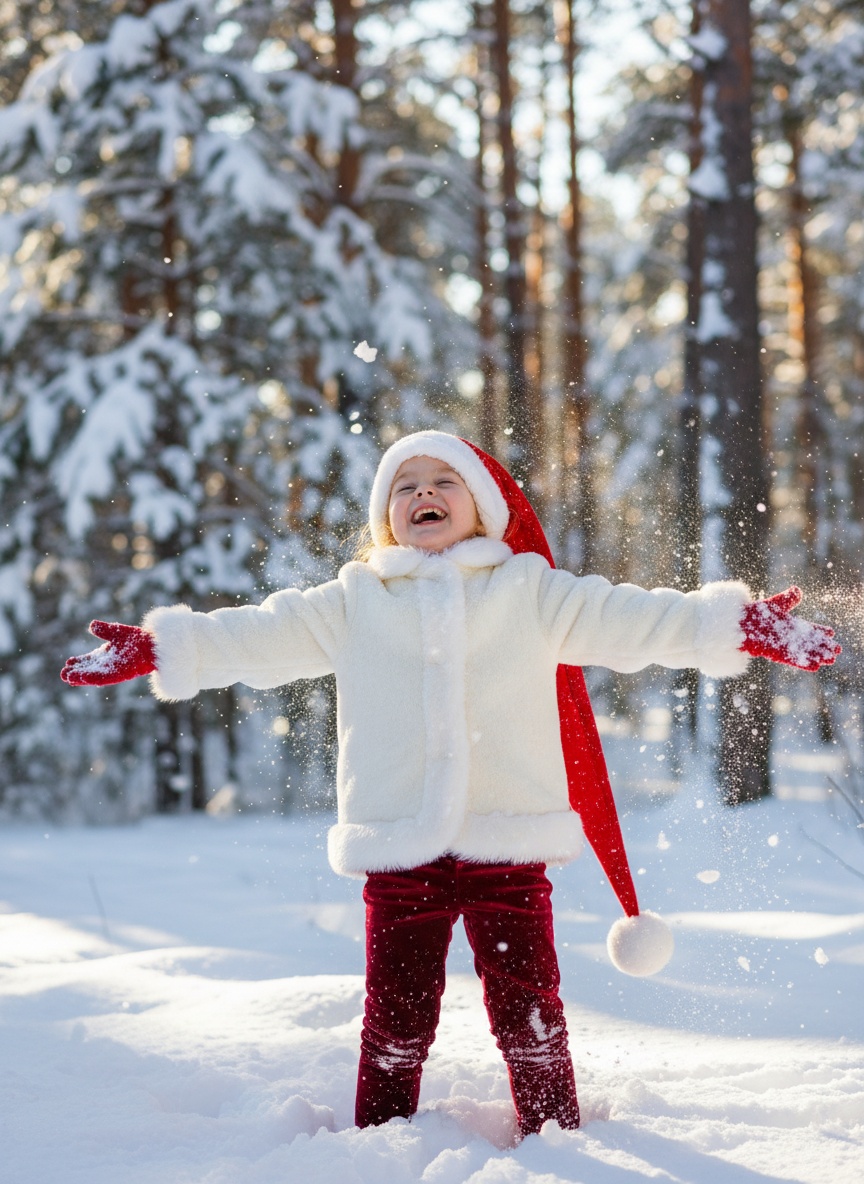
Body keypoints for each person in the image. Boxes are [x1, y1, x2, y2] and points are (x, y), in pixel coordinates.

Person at [61, 430, 840, 1137]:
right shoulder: (354, 601)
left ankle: (555, 1137)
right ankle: (379, 1140)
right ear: (386, 517)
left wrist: (731, 625)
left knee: (530, 1011)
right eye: (404, 486)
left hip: (509, 842)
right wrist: (167, 647)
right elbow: (260, 633)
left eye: (443, 481)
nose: (423, 493)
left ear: (482, 507)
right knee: (395, 1019)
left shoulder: (530, 591)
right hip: (400, 848)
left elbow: (631, 618)